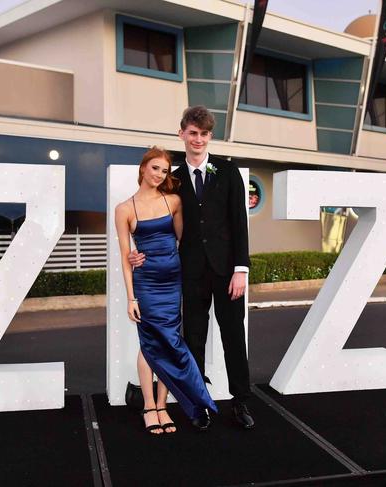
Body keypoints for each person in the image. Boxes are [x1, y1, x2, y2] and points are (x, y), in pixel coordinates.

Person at [130, 106, 255, 430]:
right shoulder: (173, 179)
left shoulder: (228, 171)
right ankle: (200, 405)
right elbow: (155, 218)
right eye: (192, 133)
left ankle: (241, 402)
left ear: (210, 136)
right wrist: (140, 252)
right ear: (182, 133)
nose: (198, 139)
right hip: (190, 271)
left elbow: (239, 223)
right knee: (193, 339)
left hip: (228, 272)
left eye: (204, 134)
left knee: (233, 336)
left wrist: (241, 269)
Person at [115, 146, 218, 435]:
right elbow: (126, 257)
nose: (160, 174)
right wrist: (131, 297)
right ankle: (149, 406)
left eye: (164, 170)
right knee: (149, 342)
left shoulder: (173, 201)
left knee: (170, 341)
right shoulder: (124, 209)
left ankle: (163, 406)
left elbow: (183, 241)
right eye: (155, 168)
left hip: (172, 281)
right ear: (143, 168)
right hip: (146, 284)